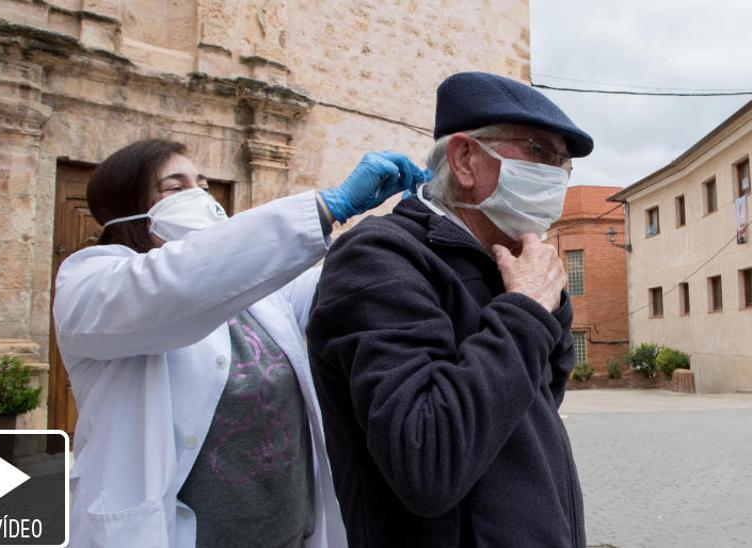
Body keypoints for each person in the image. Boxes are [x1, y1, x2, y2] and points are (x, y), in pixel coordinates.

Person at [52, 138, 428, 548]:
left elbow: (342, 280)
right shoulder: (88, 285)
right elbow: (176, 283)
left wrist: (410, 224)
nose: (199, 195)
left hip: (286, 534)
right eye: (176, 187)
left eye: (202, 183)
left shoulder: (262, 294)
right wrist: (324, 207)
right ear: (128, 210)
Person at [305, 71, 594, 547]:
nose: (555, 176)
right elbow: (428, 458)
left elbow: (533, 402)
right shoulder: (379, 258)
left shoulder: (506, 263)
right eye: (539, 152)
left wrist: (546, 307)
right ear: (464, 160)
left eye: (563, 164)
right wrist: (525, 309)